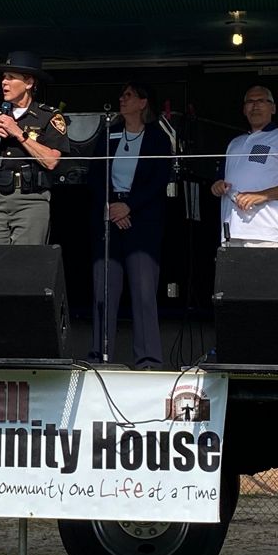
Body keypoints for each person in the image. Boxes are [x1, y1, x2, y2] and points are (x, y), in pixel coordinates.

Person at [87, 82, 172, 370]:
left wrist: (130, 205)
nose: (122, 100)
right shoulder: (109, 134)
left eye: (129, 96)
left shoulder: (158, 138)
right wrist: (112, 206)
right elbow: (95, 173)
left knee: (143, 290)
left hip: (142, 219)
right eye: (121, 95)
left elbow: (159, 179)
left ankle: (148, 359)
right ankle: (100, 354)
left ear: (143, 102)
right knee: (104, 288)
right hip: (110, 217)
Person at [0, 51, 70, 245]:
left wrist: (18, 133)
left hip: (30, 200)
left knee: (26, 264)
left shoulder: (48, 117)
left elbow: (51, 161)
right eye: (3, 78)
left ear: (29, 83)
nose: (4, 82)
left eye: (11, 78)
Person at [210, 85, 278, 247]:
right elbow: (219, 182)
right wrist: (218, 186)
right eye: (250, 101)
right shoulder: (234, 143)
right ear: (244, 109)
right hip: (231, 233)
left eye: (261, 101)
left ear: (273, 108)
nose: (255, 105)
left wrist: (261, 195)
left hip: (267, 234)